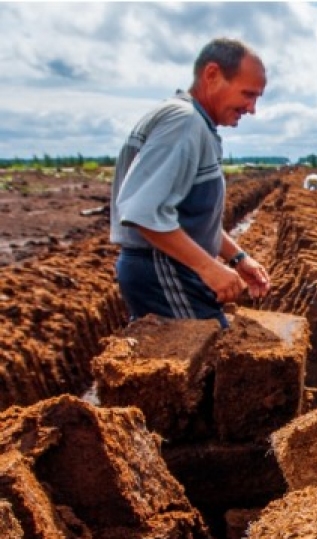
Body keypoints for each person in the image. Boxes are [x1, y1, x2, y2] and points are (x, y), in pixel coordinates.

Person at [110, 37, 271, 328]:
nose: (252, 108)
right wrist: (209, 268)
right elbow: (144, 211)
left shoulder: (194, 124)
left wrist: (237, 258)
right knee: (207, 359)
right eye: (248, 94)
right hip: (164, 270)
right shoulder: (184, 123)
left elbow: (188, 215)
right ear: (212, 75)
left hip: (171, 269)